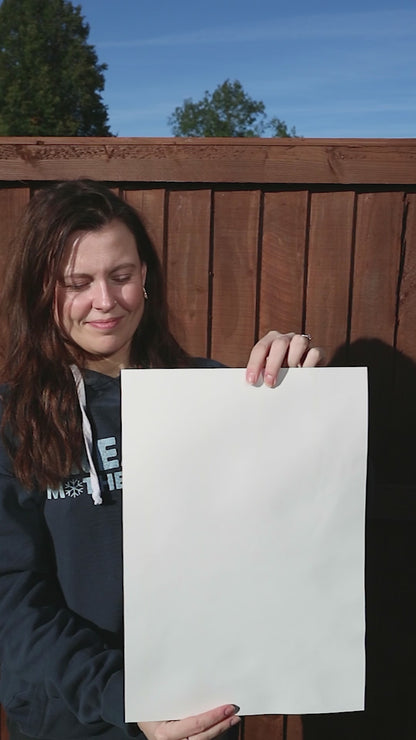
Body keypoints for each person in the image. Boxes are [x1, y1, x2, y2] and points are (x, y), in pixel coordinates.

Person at [0, 180, 323, 740]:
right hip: (77, 722)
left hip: (204, 714)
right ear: (42, 290)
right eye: (78, 283)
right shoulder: (13, 421)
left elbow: (291, 523)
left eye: (121, 276)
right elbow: (13, 598)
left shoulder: (215, 394)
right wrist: (126, 699)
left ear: (145, 275)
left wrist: (294, 393)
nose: (105, 301)